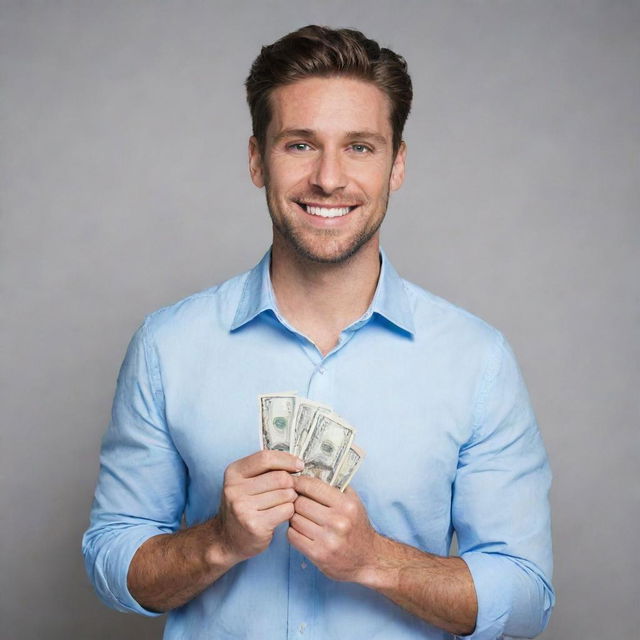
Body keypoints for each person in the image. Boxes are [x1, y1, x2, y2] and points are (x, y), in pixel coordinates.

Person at [83, 25, 554, 640]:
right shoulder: (166, 347)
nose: (329, 178)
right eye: (300, 145)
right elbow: (111, 560)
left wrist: (375, 560)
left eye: (359, 147)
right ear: (257, 159)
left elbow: (525, 598)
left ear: (397, 165)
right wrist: (216, 543)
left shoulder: (476, 360)